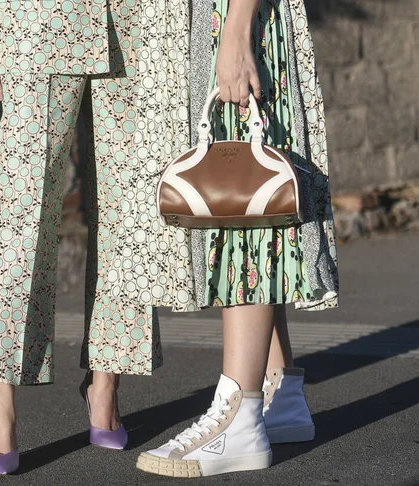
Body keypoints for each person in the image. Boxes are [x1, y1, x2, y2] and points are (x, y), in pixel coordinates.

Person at [0, 0, 198, 475]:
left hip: (136, 24)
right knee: (21, 211)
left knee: (130, 211)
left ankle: (106, 381)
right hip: (38, 25)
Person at [137, 0, 339, 478]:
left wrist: (236, 28)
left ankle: (239, 414)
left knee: (245, 211)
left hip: (229, 19)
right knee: (249, 200)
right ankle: (280, 391)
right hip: (218, 22)